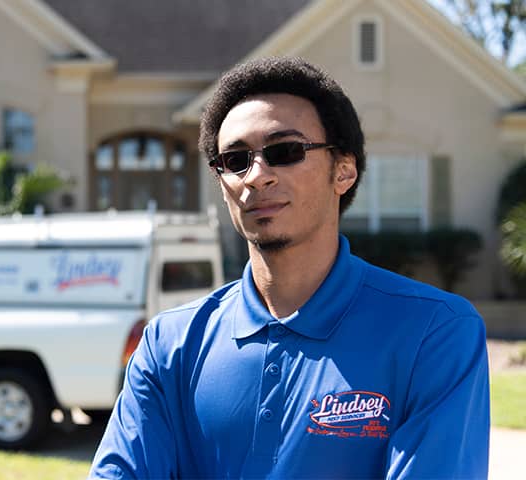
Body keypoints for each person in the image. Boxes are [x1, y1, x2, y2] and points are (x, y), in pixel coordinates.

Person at [89, 57, 490, 479]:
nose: (256, 176)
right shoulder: (169, 345)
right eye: (235, 159)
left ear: (344, 170)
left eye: (285, 151)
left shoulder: (435, 332)